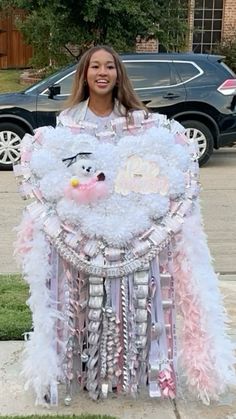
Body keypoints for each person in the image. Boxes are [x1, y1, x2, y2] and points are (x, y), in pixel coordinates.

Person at [14, 45, 235, 407]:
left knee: (130, 301)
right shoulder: (68, 121)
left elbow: (154, 165)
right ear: (84, 75)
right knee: (84, 301)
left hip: (131, 233)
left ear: (118, 75)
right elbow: (59, 171)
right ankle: (85, 371)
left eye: (110, 67)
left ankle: (124, 372)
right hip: (84, 233)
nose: (102, 72)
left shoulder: (140, 120)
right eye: (95, 66)